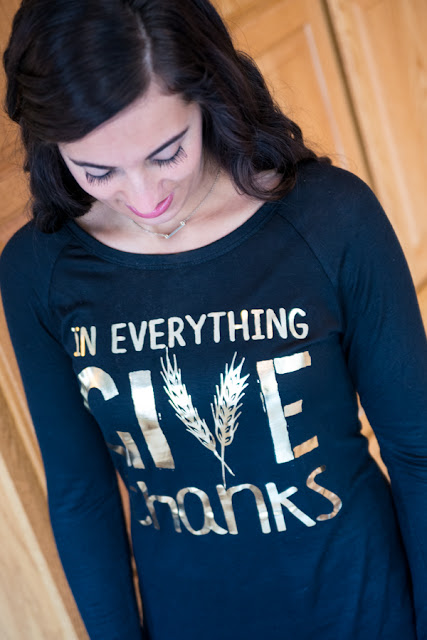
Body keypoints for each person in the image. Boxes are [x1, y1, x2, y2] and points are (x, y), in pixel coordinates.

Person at [1, 0, 426, 638]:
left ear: (207, 93)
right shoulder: (38, 270)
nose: (144, 197)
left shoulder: (330, 218)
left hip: (364, 608)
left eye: (167, 152)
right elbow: (81, 496)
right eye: (98, 171)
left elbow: (418, 451)